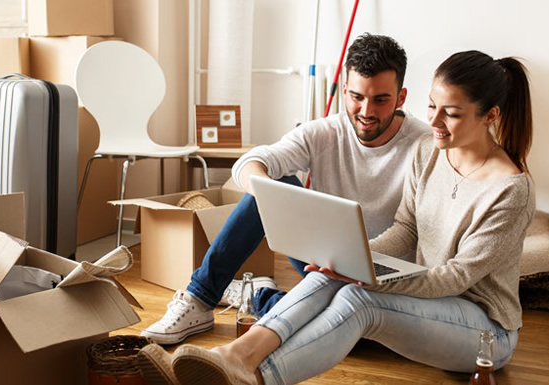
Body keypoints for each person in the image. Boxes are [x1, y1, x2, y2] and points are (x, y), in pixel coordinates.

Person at [137, 49, 537, 385]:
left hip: (484, 328)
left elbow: (454, 278)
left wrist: (368, 276)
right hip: (427, 299)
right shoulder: (430, 152)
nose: (432, 122)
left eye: (450, 113)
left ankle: (257, 377)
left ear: (490, 115)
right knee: (333, 271)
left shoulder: (509, 189)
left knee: (359, 297)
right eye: (432, 107)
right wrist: (350, 259)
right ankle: (235, 354)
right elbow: (406, 229)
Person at [141, 33, 430, 345]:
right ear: (345, 90)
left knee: (352, 333)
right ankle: (200, 298)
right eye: (357, 97)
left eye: (380, 100)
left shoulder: (426, 144)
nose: (366, 111)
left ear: (400, 98)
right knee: (271, 183)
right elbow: (250, 163)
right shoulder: (325, 132)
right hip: (323, 259)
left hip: (383, 272)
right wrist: (265, 189)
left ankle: (258, 296)